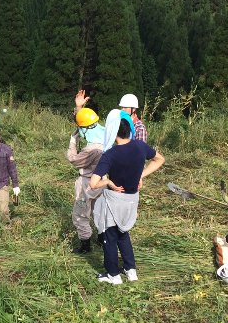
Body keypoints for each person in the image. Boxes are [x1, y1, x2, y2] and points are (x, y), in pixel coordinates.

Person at [90, 110, 165, 284]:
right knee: (123, 232)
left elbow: (93, 184)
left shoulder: (110, 154)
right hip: (132, 199)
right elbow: (160, 159)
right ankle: (131, 270)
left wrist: (108, 182)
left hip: (114, 199)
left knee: (109, 235)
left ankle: (113, 275)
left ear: (113, 131)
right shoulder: (140, 146)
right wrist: (141, 175)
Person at [67, 108, 105, 254]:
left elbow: (74, 160)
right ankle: (102, 239)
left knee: (80, 213)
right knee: (99, 211)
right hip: (102, 181)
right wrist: (78, 107)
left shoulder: (91, 149)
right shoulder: (105, 140)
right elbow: (83, 120)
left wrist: (72, 142)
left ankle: (85, 245)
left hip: (87, 184)